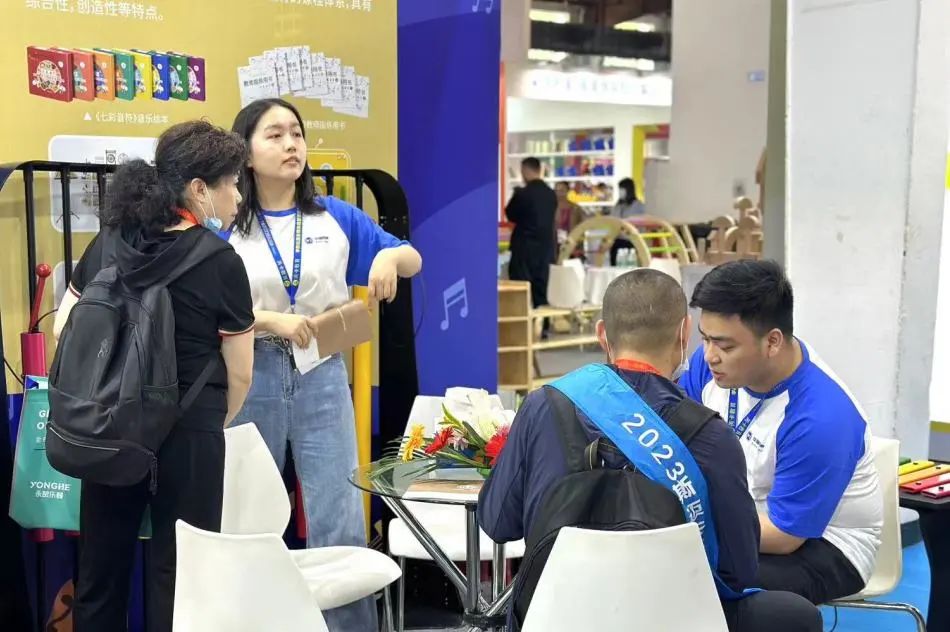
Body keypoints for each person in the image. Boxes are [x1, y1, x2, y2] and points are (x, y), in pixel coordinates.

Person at [479, 269, 821, 632]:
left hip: (554, 618)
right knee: (797, 615)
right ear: (684, 334)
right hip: (674, 620)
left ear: (601, 334)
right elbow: (738, 571)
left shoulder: (543, 406)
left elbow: (497, 522)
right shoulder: (712, 436)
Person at [226, 98, 422, 632]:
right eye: (274, 135)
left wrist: (389, 255)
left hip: (324, 372)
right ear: (246, 153)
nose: (291, 144)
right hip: (249, 371)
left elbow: (412, 258)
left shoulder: (333, 215)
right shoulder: (227, 222)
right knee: (248, 516)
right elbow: (206, 307)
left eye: (296, 133)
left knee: (339, 516)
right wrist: (270, 320)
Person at [53, 121, 255, 632]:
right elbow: (241, 372)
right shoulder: (221, 261)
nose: (237, 196)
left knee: (101, 569)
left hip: (109, 424)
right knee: (185, 577)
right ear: (199, 189)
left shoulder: (110, 241)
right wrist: (206, 421)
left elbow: (62, 327)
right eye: (232, 183)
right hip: (189, 429)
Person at [682, 260, 882, 605]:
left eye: (725, 346)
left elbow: (784, 536)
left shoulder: (820, 418)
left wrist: (694, 524)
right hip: (743, 513)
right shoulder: (711, 365)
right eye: (705, 339)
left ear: (772, 342)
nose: (710, 356)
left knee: (707, 584)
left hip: (825, 545)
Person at [507, 157, 557, 308]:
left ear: (525, 171)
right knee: (542, 288)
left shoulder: (523, 194)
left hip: (524, 249)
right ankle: (543, 320)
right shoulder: (550, 194)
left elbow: (511, 214)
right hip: (545, 249)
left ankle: (522, 319)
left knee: (520, 289)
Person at [608, 177, 645, 266]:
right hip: (617, 242)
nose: (620, 192)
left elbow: (639, 225)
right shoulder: (617, 206)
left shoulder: (638, 206)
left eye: (622, 189)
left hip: (631, 242)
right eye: (619, 189)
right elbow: (612, 221)